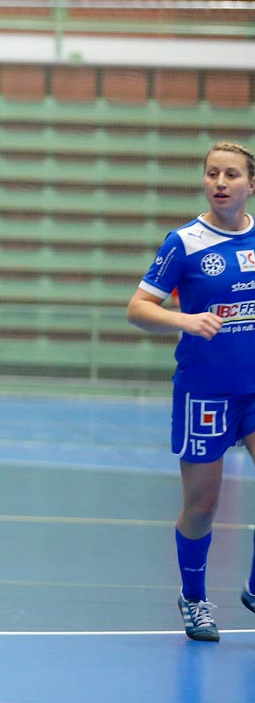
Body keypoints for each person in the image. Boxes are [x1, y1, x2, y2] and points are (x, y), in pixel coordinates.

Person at [128, 140, 255, 643]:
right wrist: (182, 318)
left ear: (251, 184)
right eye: (211, 174)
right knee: (202, 506)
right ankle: (195, 599)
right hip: (205, 392)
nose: (219, 183)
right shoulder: (184, 243)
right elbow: (138, 308)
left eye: (230, 175)